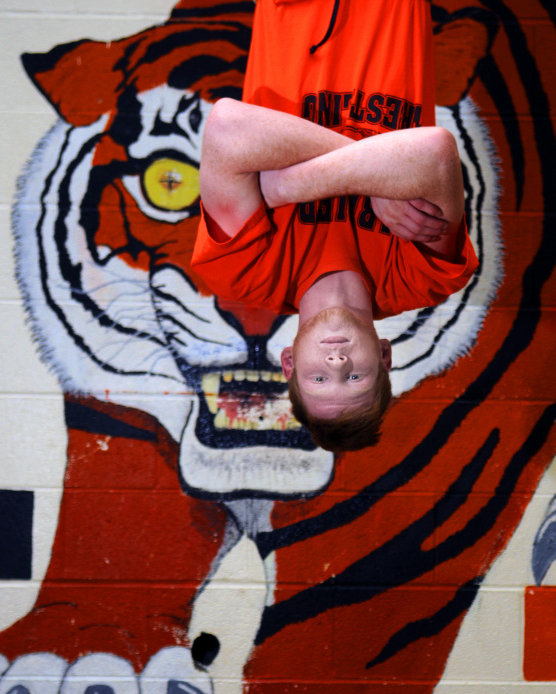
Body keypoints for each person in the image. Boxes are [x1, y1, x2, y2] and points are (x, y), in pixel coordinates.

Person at [192, 0, 478, 451]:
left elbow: (228, 128)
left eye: (320, 376)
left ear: (288, 363)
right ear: (384, 357)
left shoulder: (242, 272)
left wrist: (386, 176)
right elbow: (436, 153)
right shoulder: (425, 277)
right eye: (356, 376)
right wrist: (286, 186)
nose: (338, 358)